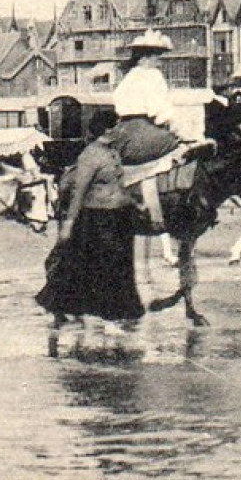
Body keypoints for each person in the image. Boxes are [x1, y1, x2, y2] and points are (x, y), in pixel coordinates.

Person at [38, 114, 143, 326]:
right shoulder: (90, 155)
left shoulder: (112, 152)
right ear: (106, 130)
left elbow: (119, 184)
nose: (122, 130)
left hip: (118, 216)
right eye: (117, 126)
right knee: (101, 267)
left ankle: (119, 313)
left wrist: (134, 203)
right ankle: (104, 316)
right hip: (96, 218)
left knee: (120, 266)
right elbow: (79, 191)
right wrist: (68, 224)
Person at [111, 30, 183, 166]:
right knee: (178, 143)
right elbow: (161, 112)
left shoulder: (128, 77)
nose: (160, 61)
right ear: (145, 58)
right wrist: (175, 130)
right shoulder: (153, 75)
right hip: (142, 132)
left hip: (121, 133)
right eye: (157, 57)